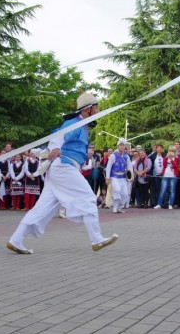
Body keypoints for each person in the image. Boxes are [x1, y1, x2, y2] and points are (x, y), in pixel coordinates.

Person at [7, 92, 118, 254]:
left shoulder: (82, 125)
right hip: (64, 167)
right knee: (88, 197)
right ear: (88, 109)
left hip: (60, 169)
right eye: (96, 107)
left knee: (42, 208)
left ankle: (16, 240)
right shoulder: (75, 123)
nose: (98, 110)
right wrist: (55, 147)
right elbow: (59, 135)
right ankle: (96, 238)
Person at [106, 138, 134, 214]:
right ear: (118, 146)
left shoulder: (126, 156)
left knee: (125, 193)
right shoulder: (113, 156)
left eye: (123, 145)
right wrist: (107, 178)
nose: (122, 147)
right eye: (120, 145)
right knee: (117, 190)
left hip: (123, 177)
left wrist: (131, 176)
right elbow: (108, 167)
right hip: (114, 177)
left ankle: (120, 207)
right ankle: (115, 207)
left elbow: (130, 167)